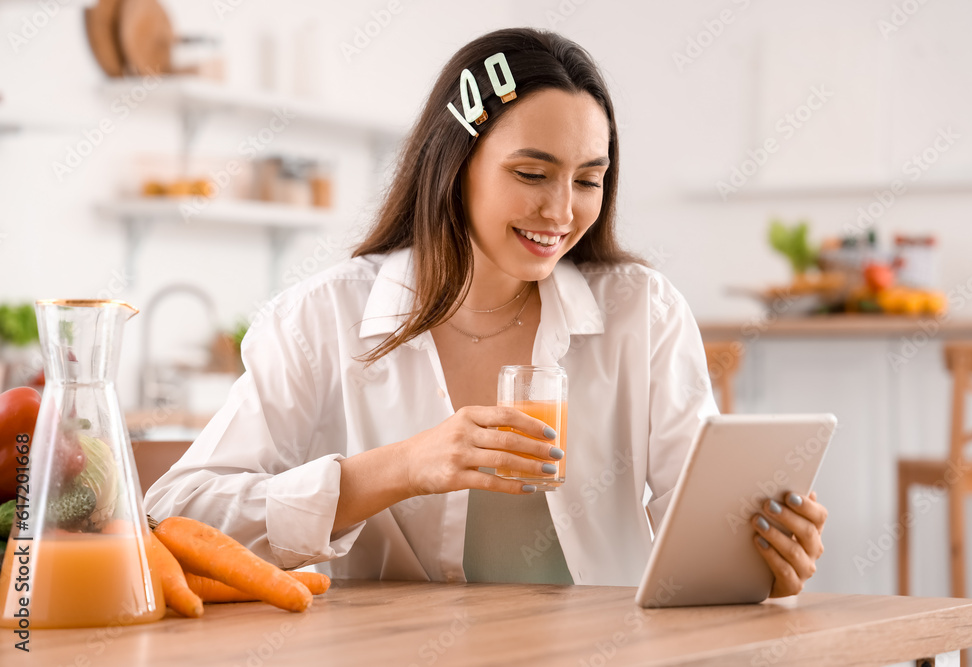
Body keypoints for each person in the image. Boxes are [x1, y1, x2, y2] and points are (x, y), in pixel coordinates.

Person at [145, 27, 827, 593]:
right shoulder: (322, 318)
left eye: (589, 178)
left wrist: (763, 561)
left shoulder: (640, 313)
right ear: (455, 164)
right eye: (531, 174)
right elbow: (177, 509)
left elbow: (696, 526)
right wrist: (399, 468)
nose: (561, 211)